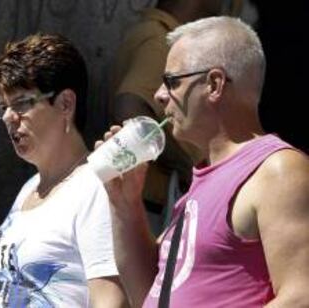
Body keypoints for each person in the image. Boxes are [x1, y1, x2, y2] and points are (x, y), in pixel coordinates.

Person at [101, 16, 309, 307]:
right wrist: (125, 204)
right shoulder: (202, 179)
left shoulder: (277, 169)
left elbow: (301, 297)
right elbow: (146, 295)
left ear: (214, 84)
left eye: (171, 81)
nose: (159, 95)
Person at [0, 33, 128, 308]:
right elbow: (31, 295)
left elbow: (111, 301)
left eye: (22, 103)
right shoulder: (31, 187)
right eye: (3, 107)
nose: (8, 117)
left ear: (65, 104)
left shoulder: (94, 187)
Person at [109, 0, 244, 234]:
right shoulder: (158, 41)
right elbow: (129, 107)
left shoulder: (153, 35)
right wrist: (186, 168)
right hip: (149, 208)